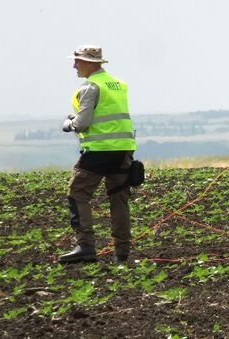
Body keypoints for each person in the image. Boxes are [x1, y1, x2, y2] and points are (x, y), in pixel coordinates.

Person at [58, 45, 136, 264]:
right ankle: (122, 254)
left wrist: (69, 123)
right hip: (123, 150)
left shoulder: (90, 87)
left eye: (78, 61)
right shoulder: (118, 84)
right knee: (119, 198)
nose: (74, 65)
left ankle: (85, 246)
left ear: (91, 63)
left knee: (77, 193)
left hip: (100, 151)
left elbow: (82, 124)